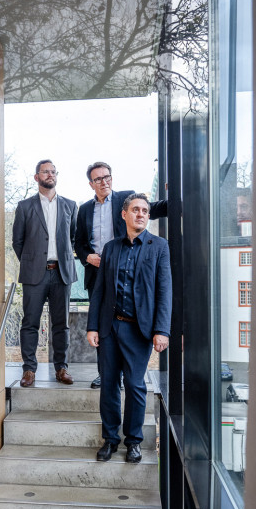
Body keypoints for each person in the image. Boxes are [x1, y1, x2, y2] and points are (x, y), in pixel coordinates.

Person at [86, 193, 172, 463]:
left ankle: (133, 440)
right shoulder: (111, 248)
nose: (141, 214)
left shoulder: (159, 246)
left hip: (139, 332)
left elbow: (164, 291)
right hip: (110, 328)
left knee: (135, 385)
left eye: (145, 211)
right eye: (135, 210)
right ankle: (110, 439)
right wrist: (92, 326)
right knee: (109, 385)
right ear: (124, 214)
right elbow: (99, 291)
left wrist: (162, 330)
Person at [75, 162, 167, 389]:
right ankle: (104, 373)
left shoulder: (125, 199)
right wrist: (88, 257)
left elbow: (150, 209)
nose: (104, 182)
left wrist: (178, 200)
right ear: (91, 184)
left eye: (107, 177)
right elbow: (78, 243)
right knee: (102, 325)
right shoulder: (85, 209)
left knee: (127, 319)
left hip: (126, 266)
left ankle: (129, 372)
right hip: (98, 271)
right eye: (98, 179)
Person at [12, 160, 78, 387]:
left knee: (61, 324)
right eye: (45, 171)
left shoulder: (70, 205)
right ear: (36, 177)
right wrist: (33, 262)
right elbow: (17, 241)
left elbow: (72, 238)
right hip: (34, 275)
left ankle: (61, 368)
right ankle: (29, 370)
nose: (50, 174)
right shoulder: (24, 206)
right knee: (30, 323)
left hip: (61, 274)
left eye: (53, 171)